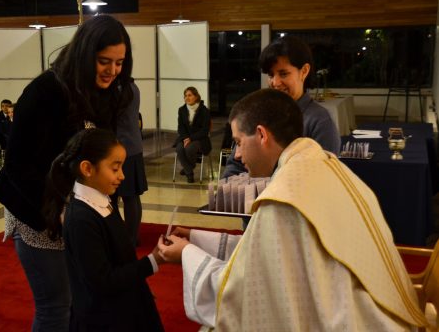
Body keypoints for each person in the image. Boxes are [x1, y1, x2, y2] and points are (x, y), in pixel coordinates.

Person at [158, 89, 427, 331]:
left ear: (262, 135)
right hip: (378, 310)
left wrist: (187, 255)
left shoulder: (284, 198)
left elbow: (241, 291)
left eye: (239, 142)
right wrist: (196, 238)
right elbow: (265, 252)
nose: (237, 155)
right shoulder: (324, 164)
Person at [0, 14, 134, 331]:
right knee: (55, 306)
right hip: (39, 212)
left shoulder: (105, 92)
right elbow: (18, 166)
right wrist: (58, 214)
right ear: (84, 55)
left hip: (79, 211)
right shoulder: (44, 92)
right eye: (104, 61)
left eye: (120, 63)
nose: (112, 71)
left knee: (78, 302)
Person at [43, 128, 164, 331]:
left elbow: (120, 253)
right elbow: (102, 281)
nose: (123, 176)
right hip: (104, 319)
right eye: (115, 169)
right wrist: (153, 261)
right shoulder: (81, 219)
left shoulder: (102, 198)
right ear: (88, 169)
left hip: (124, 304)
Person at [222, 35, 340, 178]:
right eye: (271, 75)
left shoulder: (320, 121)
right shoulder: (257, 111)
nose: (275, 82)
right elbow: (235, 165)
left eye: (283, 74)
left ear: (304, 71)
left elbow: (324, 176)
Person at [116, 80, 148, 246]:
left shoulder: (119, 88)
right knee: (133, 197)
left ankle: (129, 239)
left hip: (122, 147)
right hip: (133, 145)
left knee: (128, 197)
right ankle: (132, 237)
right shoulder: (132, 85)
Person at [173, 86, 211, 183]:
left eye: (190, 95)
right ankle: (189, 171)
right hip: (185, 138)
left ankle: (187, 169)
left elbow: (205, 130)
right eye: (185, 96)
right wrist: (186, 138)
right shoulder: (181, 110)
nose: (187, 98)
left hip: (200, 139)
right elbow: (180, 128)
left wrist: (191, 138)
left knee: (190, 148)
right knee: (179, 148)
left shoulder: (204, 111)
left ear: (196, 96)